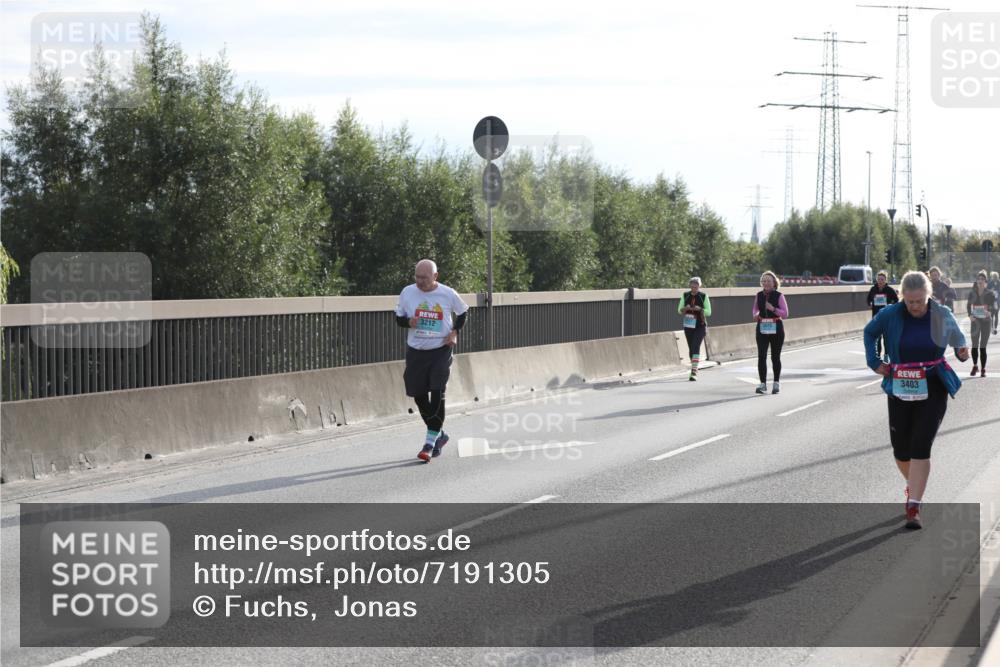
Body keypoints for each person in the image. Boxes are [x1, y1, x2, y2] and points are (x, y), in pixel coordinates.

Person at [863, 270, 969, 529]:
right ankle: (914, 486)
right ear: (902, 298)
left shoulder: (941, 314)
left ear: (928, 296)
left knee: (921, 443)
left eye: (919, 301)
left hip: (932, 384)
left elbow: (959, 341)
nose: (915, 306)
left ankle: (914, 505)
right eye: (910, 301)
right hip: (900, 383)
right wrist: (875, 362)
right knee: (901, 448)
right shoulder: (891, 314)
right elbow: (870, 333)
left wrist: (963, 352)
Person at [394, 259, 469, 462]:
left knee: (437, 391)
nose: (420, 282)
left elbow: (463, 312)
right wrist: (408, 321)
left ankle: (429, 443)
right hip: (416, 351)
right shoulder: (407, 292)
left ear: (435, 276)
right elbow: (398, 317)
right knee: (418, 395)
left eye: (424, 278)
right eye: (417, 277)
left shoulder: (447, 293)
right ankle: (439, 434)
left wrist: (454, 332)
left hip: (440, 349)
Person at [752, 271, 789, 394]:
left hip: (776, 327)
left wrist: (773, 308)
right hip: (762, 327)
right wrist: (756, 315)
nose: (766, 283)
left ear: (774, 283)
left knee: (775, 356)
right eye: (764, 280)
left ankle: (776, 383)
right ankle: (762, 384)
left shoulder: (779, 296)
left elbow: (785, 314)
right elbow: (755, 309)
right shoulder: (758, 295)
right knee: (761, 356)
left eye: (769, 281)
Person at [677, 277, 712, 381]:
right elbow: (679, 310)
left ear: (699, 286)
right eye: (692, 285)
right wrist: (686, 308)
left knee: (696, 346)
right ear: (690, 286)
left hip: (700, 325)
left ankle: (694, 371)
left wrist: (700, 309)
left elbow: (709, 312)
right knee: (691, 348)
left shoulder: (703, 296)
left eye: (696, 285)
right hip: (688, 325)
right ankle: (694, 366)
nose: (694, 287)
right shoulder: (685, 295)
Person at [967, 270, 997, 377]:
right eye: (978, 279)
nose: (980, 281)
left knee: (982, 346)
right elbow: (968, 305)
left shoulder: (989, 293)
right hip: (975, 321)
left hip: (985, 322)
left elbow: (995, 307)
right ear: (976, 281)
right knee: (974, 346)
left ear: (986, 282)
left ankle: (983, 368)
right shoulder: (972, 293)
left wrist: (990, 312)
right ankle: (975, 366)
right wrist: (970, 315)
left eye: (982, 279)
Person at [866, 270, 899, 361]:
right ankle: (878, 355)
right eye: (879, 279)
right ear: (876, 280)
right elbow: (868, 299)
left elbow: (896, 300)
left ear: (885, 280)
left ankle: (886, 355)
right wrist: (869, 303)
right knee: (877, 338)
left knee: (886, 337)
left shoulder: (889, 290)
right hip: (876, 316)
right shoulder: (873, 289)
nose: (880, 281)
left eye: (882, 279)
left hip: (887, 316)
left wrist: (891, 307)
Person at [989, 271, 1000, 335]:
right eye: (994, 277)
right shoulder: (990, 283)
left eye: (995, 277)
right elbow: (987, 290)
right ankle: (992, 327)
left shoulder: (999, 283)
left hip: (997, 301)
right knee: (991, 315)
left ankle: (995, 327)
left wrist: (997, 291)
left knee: (996, 315)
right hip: (991, 301)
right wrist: (991, 290)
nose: (994, 278)